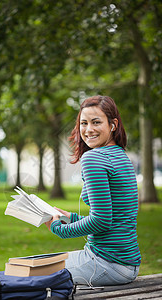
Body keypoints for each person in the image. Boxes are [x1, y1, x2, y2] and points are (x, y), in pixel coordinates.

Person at [45, 95, 141, 286]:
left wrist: (60, 230)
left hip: (106, 264)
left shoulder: (94, 158)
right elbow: (114, 219)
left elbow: (101, 220)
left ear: (113, 125)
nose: (88, 130)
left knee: (26, 271)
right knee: (35, 265)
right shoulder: (121, 156)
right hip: (128, 264)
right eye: (84, 123)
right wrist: (71, 217)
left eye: (96, 122)